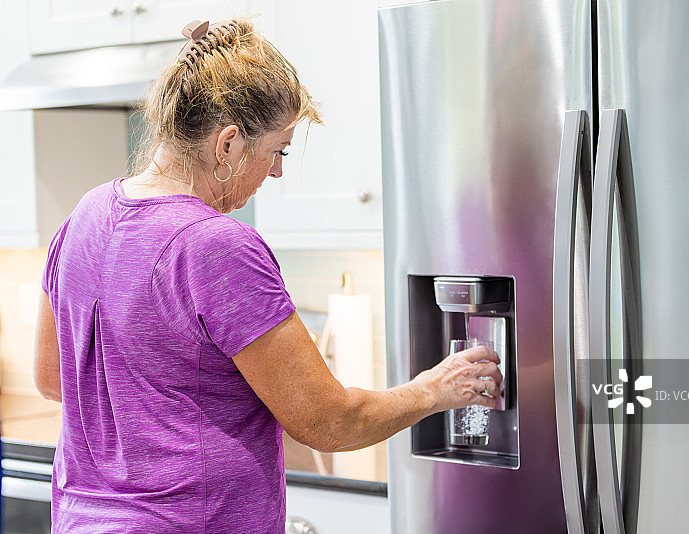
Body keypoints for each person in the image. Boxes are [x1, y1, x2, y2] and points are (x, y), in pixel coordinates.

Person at [32, 18, 501, 533]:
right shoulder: (215, 246)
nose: (277, 172)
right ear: (228, 144)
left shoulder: (85, 215)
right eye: (277, 150)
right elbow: (328, 420)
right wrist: (434, 390)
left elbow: (52, 378)